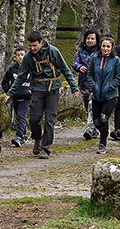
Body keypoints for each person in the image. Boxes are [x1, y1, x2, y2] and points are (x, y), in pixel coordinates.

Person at [5, 31, 79, 159]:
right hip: (37, 89)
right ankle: (37, 138)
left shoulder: (53, 51)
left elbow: (65, 69)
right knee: (34, 119)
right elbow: (21, 77)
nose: (32, 48)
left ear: (40, 42)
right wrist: (10, 93)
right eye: (30, 46)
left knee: (50, 119)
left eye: (34, 45)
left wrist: (73, 87)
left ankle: (45, 148)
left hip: (53, 89)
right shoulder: (28, 57)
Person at [86, 35, 120, 155]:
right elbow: (89, 74)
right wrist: (94, 85)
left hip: (110, 95)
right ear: (100, 47)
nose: (105, 49)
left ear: (112, 48)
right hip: (97, 95)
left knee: (103, 118)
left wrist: (109, 87)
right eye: (103, 46)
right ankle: (104, 132)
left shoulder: (116, 60)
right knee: (96, 121)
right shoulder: (95, 59)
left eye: (108, 46)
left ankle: (102, 143)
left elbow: (118, 77)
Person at [1, 46, 32, 147]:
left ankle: (19, 137)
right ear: (15, 57)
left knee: (21, 115)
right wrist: (10, 93)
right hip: (16, 98)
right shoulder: (12, 69)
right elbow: (4, 82)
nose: (20, 57)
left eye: (22, 55)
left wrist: (31, 90)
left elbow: (36, 80)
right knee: (19, 116)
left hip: (27, 97)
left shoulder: (31, 68)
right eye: (18, 55)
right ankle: (23, 134)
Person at [73, 29, 100, 140]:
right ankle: (95, 129)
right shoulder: (80, 51)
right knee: (87, 106)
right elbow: (74, 63)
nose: (90, 40)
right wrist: (79, 67)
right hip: (83, 83)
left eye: (92, 38)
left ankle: (89, 129)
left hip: (96, 83)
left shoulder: (99, 51)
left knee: (91, 106)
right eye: (88, 38)